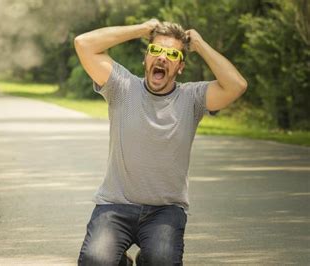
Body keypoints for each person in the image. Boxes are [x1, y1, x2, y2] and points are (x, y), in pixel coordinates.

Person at [74, 18, 247, 266]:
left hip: (165, 212)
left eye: (172, 54)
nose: (162, 58)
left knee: (162, 262)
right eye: (156, 50)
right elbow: (83, 43)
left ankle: (146, 259)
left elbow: (237, 85)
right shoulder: (122, 86)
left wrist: (200, 44)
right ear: (146, 59)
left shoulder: (193, 98)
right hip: (115, 207)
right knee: (95, 261)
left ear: (180, 67)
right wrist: (141, 30)